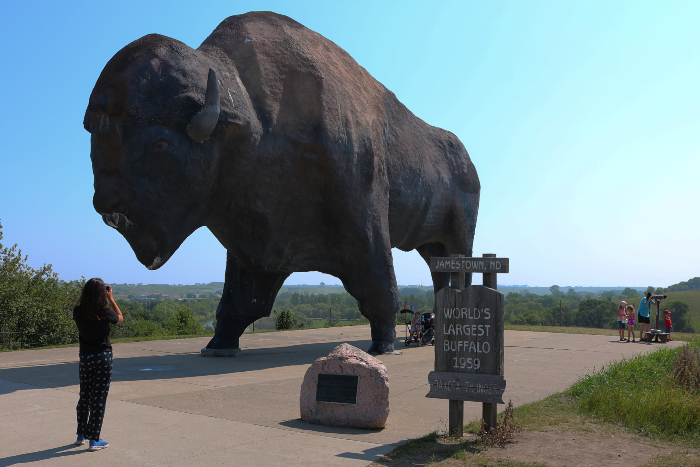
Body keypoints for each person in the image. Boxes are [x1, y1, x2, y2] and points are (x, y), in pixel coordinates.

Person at [72, 278, 123, 451]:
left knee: (84, 395)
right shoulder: (105, 311)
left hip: (85, 357)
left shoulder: (77, 311)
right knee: (98, 398)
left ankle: (81, 434)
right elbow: (119, 318)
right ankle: (94, 439)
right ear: (103, 293)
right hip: (103, 357)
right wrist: (111, 299)